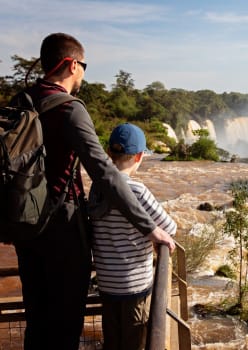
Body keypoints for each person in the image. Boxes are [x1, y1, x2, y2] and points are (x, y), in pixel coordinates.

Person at [12, 32, 176, 350]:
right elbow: (105, 175)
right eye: (84, 65)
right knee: (65, 323)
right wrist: (151, 228)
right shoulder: (69, 109)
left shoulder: (22, 101)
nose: (84, 73)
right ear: (72, 64)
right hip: (61, 229)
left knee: (38, 319)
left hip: (24, 227)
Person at [89, 123, 177, 350]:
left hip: (107, 284)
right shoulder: (137, 190)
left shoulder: (97, 188)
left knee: (113, 341)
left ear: (109, 153)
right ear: (139, 156)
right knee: (134, 341)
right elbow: (170, 227)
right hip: (133, 287)